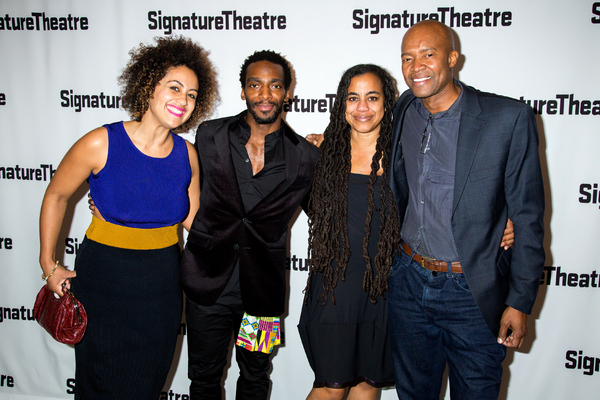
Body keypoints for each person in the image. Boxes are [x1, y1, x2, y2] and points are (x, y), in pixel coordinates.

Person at [38, 36, 217, 399]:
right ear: (149, 86)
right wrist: (48, 263)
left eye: (192, 95)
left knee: (147, 383)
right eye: (175, 88)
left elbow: (196, 222)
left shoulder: (188, 155)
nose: (183, 100)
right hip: (103, 280)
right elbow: (56, 195)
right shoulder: (101, 142)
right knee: (97, 382)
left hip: (162, 285)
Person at [388, 20, 545, 399]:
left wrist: (519, 302)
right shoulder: (405, 107)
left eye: (428, 54)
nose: (417, 66)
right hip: (408, 281)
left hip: (471, 293)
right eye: (408, 58)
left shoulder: (506, 119)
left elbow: (527, 217)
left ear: (453, 58)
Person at [179, 50, 320, 400]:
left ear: (287, 93)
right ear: (243, 91)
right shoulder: (209, 135)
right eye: (255, 85)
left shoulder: (305, 156)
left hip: (262, 293)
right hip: (207, 284)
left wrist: (337, 153)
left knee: (256, 376)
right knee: (203, 378)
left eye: (275, 86)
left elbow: (324, 212)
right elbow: (176, 185)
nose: (265, 94)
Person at [298, 64, 399, 400]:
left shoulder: (403, 157)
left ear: (387, 103)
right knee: (330, 388)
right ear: (342, 103)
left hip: (382, 290)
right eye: (353, 98)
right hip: (334, 291)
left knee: (367, 384)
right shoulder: (320, 154)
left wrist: (502, 222)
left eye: (372, 97)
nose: (362, 108)